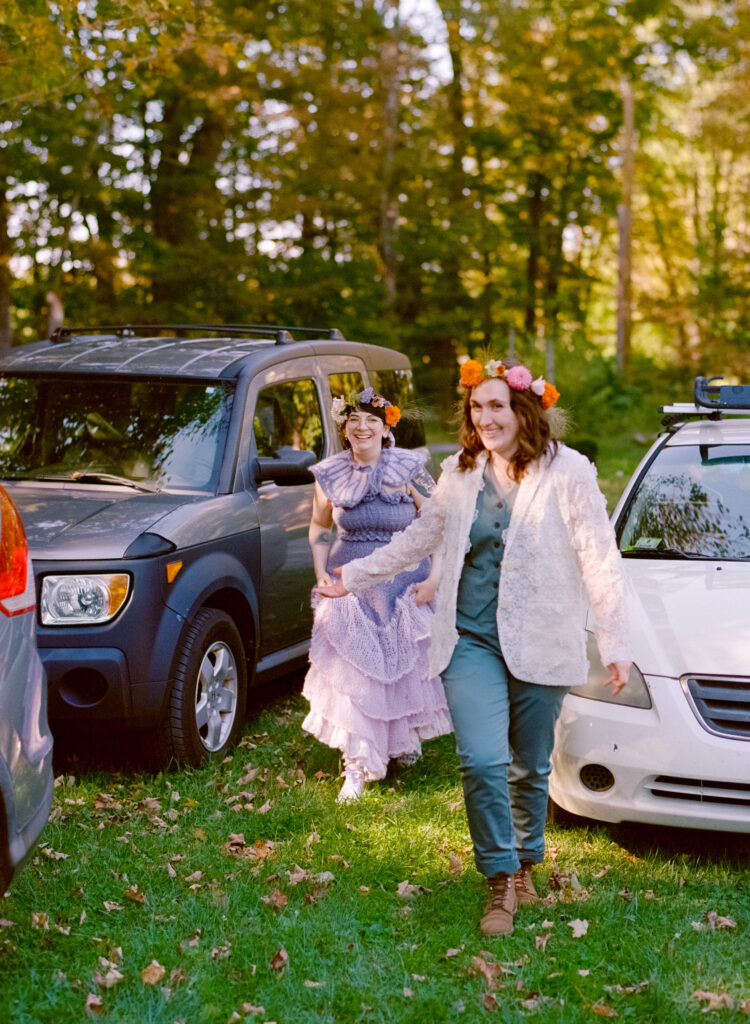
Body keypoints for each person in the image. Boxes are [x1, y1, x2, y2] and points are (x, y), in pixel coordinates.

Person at [315, 358, 632, 935]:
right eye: (476, 407)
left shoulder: (570, 472)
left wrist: (614, 639)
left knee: (530, 766)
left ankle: (527, 865)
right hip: (468, 638)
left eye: (496, 406)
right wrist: (354, 576)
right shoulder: (460, 475)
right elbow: (419, 537)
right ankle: (499, 884)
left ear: (523, 410)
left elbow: (599, 556)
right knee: (483, 760)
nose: (485, 418)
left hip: (542, 635)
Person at [302, 386, 452, 802]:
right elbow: (319, 527)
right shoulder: (330, 473)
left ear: (386, 429)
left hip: (405, 578)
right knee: (356, 670)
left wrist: (436, 576)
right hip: (349, 577)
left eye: (372, 421)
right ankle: (358, 763)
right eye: (354, 421)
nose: (362, 427)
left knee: (400, 664)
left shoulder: (410, 468)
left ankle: (400, 740)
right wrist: (321, 572)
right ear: (345, 430)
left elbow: (439, 522)